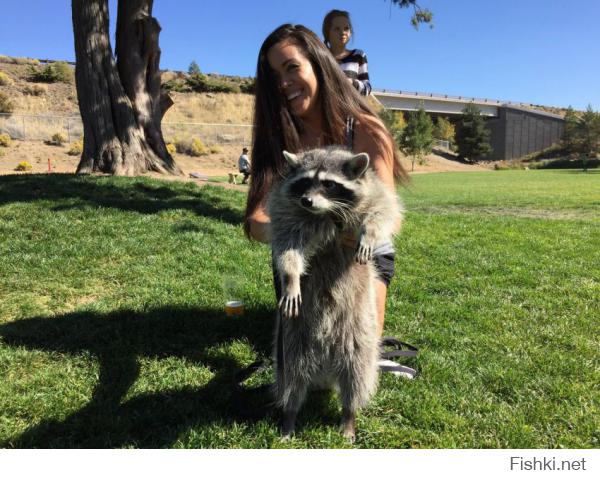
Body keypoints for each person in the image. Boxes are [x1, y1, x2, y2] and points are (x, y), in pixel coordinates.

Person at [244, 24, 409, 343]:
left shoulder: (364, 130)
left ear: (319, 64)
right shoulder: (280, 139)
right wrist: (297, 230)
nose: (283, 83)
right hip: (306, 254)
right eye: (274, 76)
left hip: (361, 254)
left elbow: (391, 215)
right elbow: (256, 221)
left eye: (292, 67)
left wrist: (345, 228)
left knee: (353, 348)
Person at [322, 9, 371, 96]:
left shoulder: (359, 55)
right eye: (337, 29)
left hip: (351, 108)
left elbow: (367, 88)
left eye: (346, 28)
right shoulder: (321, 57)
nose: (343, 32)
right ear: (327, 32)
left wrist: (352, 83)